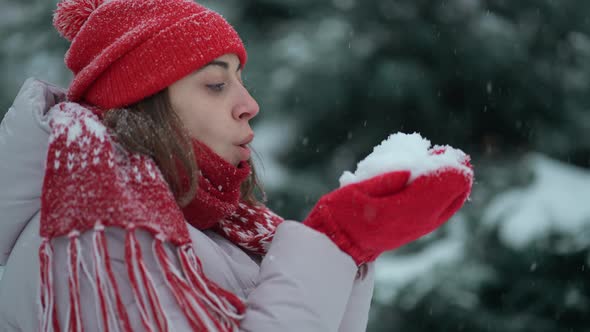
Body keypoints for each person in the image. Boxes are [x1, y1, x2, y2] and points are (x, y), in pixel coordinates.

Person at [0, 0, 473, 331]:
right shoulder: (91, 236)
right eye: (215, 84)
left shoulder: (215, 233)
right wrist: (334, 243)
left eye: (241, 81)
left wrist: (348, 253)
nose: (250, 104)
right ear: (143, 103)